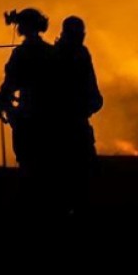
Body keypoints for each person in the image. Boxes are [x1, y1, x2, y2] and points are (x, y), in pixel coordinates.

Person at [0, 8, 59, 209]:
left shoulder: (21, 54)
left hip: (29, 116)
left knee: (28, 163)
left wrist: (1, 103)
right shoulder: (52, 53)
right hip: (51, 117)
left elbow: (10, 83)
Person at [54, 16, 103, 212]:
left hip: (59, 129)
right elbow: (94, 96)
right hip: (73, 127)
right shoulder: (80, 55)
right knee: (81, 183)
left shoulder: (55, 55)